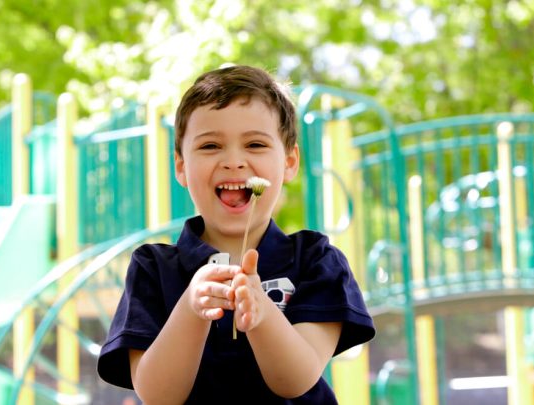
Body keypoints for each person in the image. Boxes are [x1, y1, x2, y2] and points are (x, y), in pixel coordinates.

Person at [97, 65, 375, 404]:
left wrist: (262, 314)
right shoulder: (153, 268)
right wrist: (190, 309)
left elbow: (296, 379)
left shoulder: (317, 261)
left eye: (255, 144)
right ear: (181, 166)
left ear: (289, 162)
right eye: (211, 145)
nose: (233, 161)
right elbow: (157, 395)